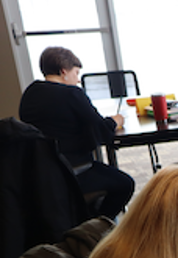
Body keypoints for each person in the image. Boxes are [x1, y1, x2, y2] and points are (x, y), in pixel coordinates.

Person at [18, 46, 135, 219]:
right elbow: (102, 131)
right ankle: (95, 226)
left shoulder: (30, 93)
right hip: (74, 170)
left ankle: (83, 220)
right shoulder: (72, 94)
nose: (78, 80)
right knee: (125, 184)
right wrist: (116, 120)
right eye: (76, 73)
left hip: (39, 173)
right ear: (64, 71)